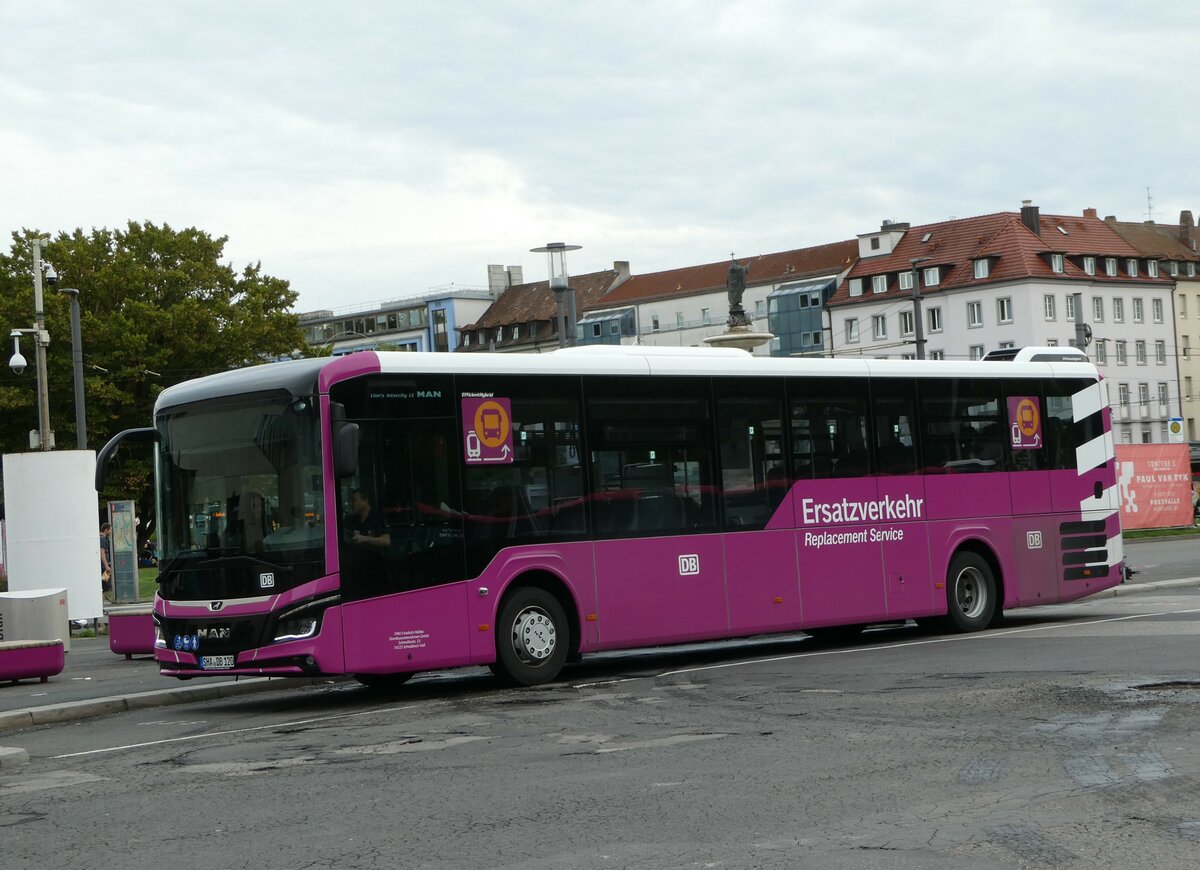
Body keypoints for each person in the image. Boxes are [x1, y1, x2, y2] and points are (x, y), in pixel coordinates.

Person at [100, 522, 113, 602]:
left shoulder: (102, 538)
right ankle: (101, 606)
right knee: (104, 586)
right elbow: (102, 552)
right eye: (110, 530)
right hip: (103, 567)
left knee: (105, 586)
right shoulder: (102, 539)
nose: (111, 532)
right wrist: (106, 566)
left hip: (104, 566)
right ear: (106, 530)